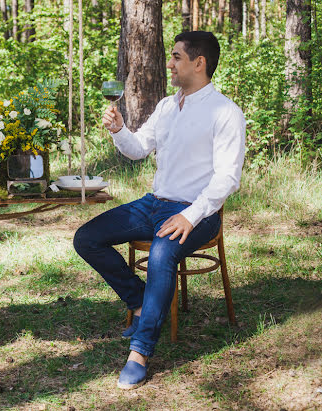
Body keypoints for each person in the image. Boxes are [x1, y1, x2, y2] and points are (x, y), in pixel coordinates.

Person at [73, 31, 245, 390]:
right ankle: (139, 302)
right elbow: (137, 149)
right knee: (87, 237)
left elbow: (227, 178)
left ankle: (140, 351)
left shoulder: (226, 112)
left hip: (197, 211)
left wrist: (190, 216)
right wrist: (120, 130)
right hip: (154, 203)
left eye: (177, 57)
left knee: (162, 254)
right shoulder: (168, 106)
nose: (169, 63)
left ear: (199, 63)